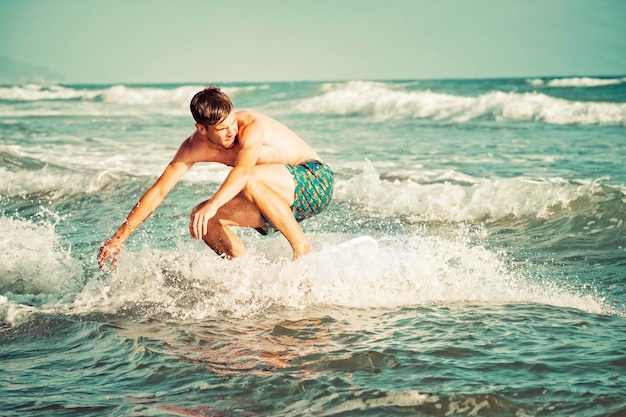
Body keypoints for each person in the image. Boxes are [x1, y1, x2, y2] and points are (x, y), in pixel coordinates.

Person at [97, 86, 333, 271]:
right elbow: (159, 191)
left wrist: (213, 204)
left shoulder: (251, 125)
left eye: (232, 122)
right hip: (276, 202)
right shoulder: (192, 147)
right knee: (203, 218)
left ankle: (303, 250)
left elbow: (243, 171)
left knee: (243, 183)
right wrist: (119, 238)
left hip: (314, 180)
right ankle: (245, 272)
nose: (232, 131)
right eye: (222, 129)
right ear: (202, 129)